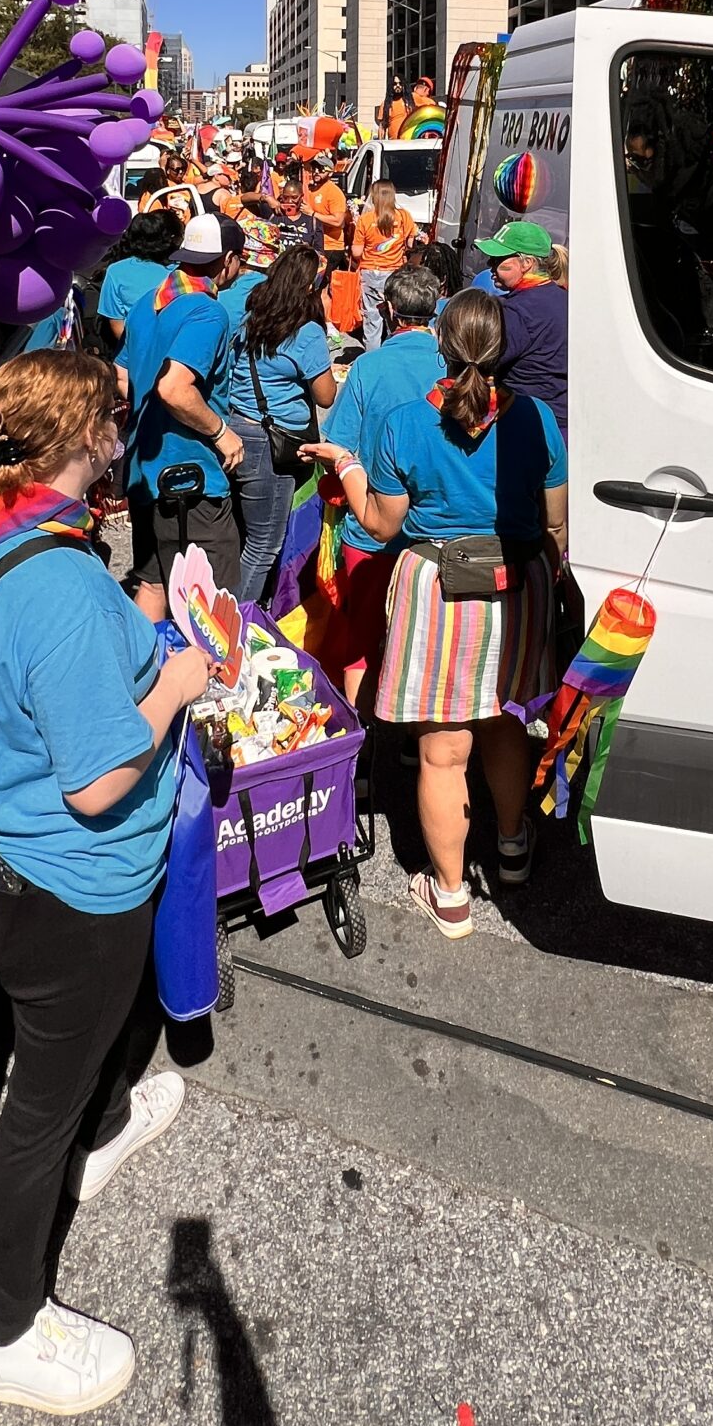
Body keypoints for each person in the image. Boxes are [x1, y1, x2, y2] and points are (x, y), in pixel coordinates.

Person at [0, 350, 215, 1415]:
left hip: (10, 857)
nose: (122, 424)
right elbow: (101, 781)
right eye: (110, 414)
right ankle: (6, 1329)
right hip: (69, 889)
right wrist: (180, 678)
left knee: (84, 1060)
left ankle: (101, 1133)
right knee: (33, 1116)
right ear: (75, 439)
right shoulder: (56, 585)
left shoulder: (4, 523)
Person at [305, 290, 566, 939]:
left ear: (441, 347)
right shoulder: (537, 418)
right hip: (516, 579)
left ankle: (450, 897)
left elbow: (377, 522)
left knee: (444, 749)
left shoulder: (403, 423)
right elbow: (555, 519)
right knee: (506, 722)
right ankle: (510, 846)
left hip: (437, 586)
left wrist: (348, 464)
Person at [312, 261, 444, 701]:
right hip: (435, 532)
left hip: (372, 532)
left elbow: (340, 445)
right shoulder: (452, 366)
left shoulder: (369, 368)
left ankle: (360, 739)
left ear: (387, 310)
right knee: (426, 643)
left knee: (362, 638)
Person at [117, 214, 247, 613]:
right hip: (189, 480)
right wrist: (221, 431)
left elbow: (122, 377)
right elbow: (174, 388)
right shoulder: (207, 312)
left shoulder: (147, 303)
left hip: (144, 472)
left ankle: (148, 671)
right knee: (216, 602)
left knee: (154, 583)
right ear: (226, 261)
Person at [223, 242, 337, 601]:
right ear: (309, 288)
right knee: (264, 543)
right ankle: (238, 622)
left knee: (246, 532)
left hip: (238, 425)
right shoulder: (306, 333)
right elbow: (326, 396)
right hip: (271, 443)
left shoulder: (252, 317)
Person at [478, 218, 569, 433]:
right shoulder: (564, 298)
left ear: (526, 263)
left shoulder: (518, 311)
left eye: (497, 259)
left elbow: (485, 362)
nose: (490, 265)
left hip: (527, 423)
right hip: (561, 419)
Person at [95, 208, 181, 348]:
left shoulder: (116, 271)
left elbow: (116, 322)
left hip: (133, 353)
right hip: (176, 351)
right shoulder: (182, 270)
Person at [351, 177, 419, 350]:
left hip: (370, 272)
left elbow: (356, 253)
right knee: (394, 317)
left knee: (372, 320)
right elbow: (411, 245)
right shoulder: (404, 217)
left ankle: (372, 357)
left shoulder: (365, 220)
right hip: (395, 273)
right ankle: (394, 351)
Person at [305, 153, 350, 276]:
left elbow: (338, 221)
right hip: (315, 245)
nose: (316, 172)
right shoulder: (310, 189)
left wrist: (312, 214)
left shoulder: (334, 192)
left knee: (321, 284)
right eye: (314, 168)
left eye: (321, 169)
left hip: (331, 247)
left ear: (330, 173)